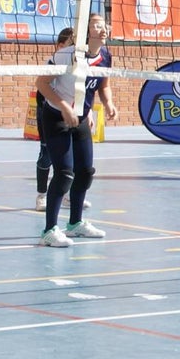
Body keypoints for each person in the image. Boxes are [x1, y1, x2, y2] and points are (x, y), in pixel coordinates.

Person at [34, 13, 120, 247]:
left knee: (86, 171)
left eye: (104, 26)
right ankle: (49, 229)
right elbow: (41, 83)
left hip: (81, 117)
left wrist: (107, 102)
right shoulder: (65, 56)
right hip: (56, 117)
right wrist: (63, 107)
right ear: (85, 32)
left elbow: (104, 85)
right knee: (64, 173)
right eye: (96, 26)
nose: (103, 30)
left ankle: (74, 224)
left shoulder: (105, 56)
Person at [34, 27, 77, 212]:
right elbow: (41, 92)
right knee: (47, 155)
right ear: (61, 46)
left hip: (72, 114)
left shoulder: (79, 62)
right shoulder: (54, 62)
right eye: (71, 43)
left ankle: (67, 195)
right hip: (49, 113)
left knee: (72, 156)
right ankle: (41, 196)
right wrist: (59, 108)